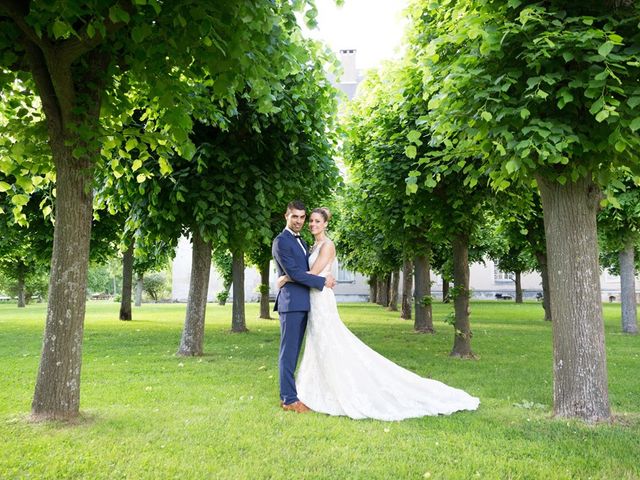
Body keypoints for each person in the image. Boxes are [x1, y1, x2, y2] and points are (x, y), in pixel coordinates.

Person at [276, 207, 480, 421]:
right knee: (318, 344)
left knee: (330, 342)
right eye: (311, 221)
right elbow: (306, 273)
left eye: (317, 221)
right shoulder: (310, 245)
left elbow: (312, 274)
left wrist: (286, 279)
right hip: (312, 299)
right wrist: (293, 277)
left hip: (320, 300)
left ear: (326, 224)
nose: (312, 224)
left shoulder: (327, 245)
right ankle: (310, 388)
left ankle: (336, 389)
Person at [272, 200, 336, 413]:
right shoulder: (281, 241)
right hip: (291, 304)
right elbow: (295, 272)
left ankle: (298, 393)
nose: (299, 221)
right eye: (295, 217)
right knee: (288, 353)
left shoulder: (302, 241)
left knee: (301, 350)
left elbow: (300, 271)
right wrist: (321, 281)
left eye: (302, 217)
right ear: (286, 216)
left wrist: (287, 278)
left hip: (305, 302)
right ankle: (289, 399)